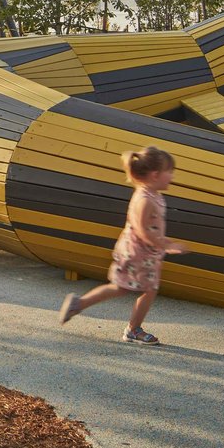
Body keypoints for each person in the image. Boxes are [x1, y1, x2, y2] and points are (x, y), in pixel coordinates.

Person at [57, 145, 187, 344]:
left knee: (126, 288)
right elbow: (143, 230)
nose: (172, 176)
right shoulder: (145, 200)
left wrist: (164, 243)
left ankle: (80, 304)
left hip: (143, 252)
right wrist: (167, 244)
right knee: (143, 289)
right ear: (155, 175)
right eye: (170, 172)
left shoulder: (153, 195)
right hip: (139, 253)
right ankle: (132, 329)